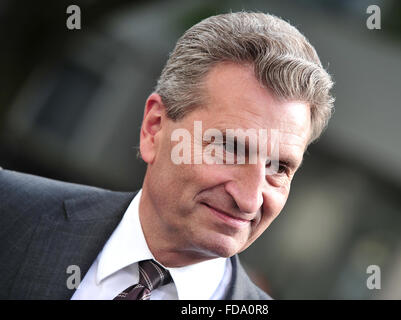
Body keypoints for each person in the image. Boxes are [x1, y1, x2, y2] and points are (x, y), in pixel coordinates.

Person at [0, 11, 334, 300]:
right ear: (154, 128)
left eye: (279, 167)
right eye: (231, 148)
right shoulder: (11, 214)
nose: (248, 201)